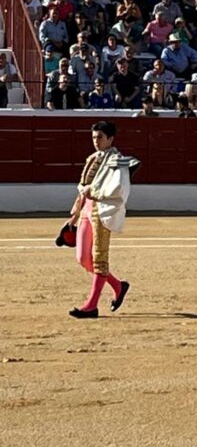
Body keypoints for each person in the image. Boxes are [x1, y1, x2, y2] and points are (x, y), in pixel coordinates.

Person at [65, 121, 138, 319]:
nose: (96, 141)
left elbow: (120, 188)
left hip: (103, 209)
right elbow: (83, 190)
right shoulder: (92, 158)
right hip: (87, 210)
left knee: (99, 257)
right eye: (94, 137)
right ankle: (118, 286)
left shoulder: (118, 160)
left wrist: (94, 191)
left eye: (100, 138)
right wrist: (75, 215)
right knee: (82, 258)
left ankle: (91, 306)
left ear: (111, 139)